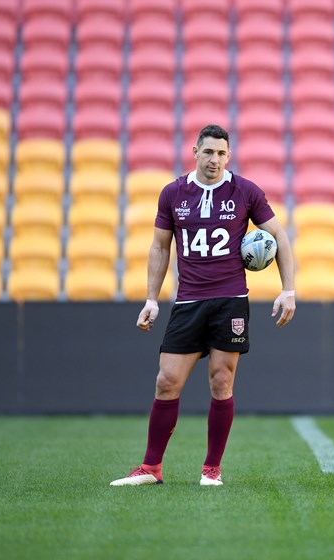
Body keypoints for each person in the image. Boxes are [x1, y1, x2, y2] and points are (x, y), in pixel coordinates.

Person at [111, 124, 295, 487]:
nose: (215, 159)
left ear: (229, 155)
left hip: (230, 301)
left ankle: (211, 470)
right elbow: (160, 247)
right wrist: (151, 297)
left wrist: (287, 289)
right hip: (188, 301)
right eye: (209, 152)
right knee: (166, 381)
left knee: (221, 380)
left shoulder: (245, 191)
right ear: (195, 152)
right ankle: (150, 468)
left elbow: (280, 237)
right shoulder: (173, 193)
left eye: (222, 153)